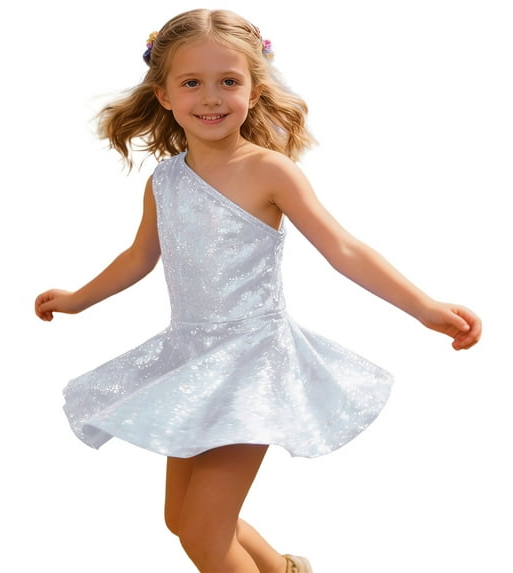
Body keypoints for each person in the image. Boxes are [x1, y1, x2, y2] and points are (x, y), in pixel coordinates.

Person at [34, 8, 481, 573]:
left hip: (251, 364)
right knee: (182, 521)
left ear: (254, 89)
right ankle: (286, 569)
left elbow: (344, 249)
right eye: (191, 82)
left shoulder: (270, 171)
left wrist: (424, 307)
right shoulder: (166, 180)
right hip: (190, 359)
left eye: (229, 81)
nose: (211, 97)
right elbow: (139, 257)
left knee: (204, 532)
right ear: (164, 94)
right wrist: (77, 299)